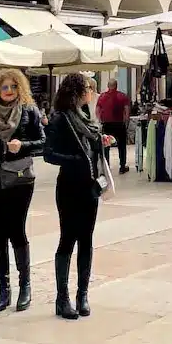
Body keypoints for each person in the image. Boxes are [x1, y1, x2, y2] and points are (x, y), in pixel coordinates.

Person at [0, 68, 44, 312]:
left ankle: (25, 286)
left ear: (20, 88)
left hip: (20, 178)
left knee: (17, 229)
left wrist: (23, 145)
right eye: (4, 87)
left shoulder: (29, 112)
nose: (8, 91)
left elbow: (44, 142)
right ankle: (3, 290)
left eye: (13, 87)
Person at [43, 72, 109, 321]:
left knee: (87, 239)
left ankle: (83, 294)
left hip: (89, 186)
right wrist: (75, 160)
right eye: (88, 89)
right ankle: (62, 298)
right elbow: (48, 154)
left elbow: (91, 148)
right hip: (69, 186)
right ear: (77, 92)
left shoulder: (87, 118)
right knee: (67, 239)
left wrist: (101, 142)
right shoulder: (60, 119)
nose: (91, 93)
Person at [96, 79, 130, 174]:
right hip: (119, 124)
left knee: (106, 146)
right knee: (122, 146)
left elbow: (97, 110)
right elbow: (127, 111)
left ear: (108, 86)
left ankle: (107, 166)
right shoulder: (123, 96)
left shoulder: (102, 96)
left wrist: (100, 120)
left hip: (106, 124)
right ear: (116, 85)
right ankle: (122, 166)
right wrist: (126, 122)